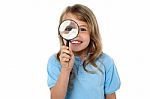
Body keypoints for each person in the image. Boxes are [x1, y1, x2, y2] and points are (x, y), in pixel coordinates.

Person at [47, 4, 121, 99]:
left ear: (92, 33)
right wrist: (65, 70)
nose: (75, 34)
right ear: (61, 34)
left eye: (82, 29)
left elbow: (111, 96)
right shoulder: (55, 61)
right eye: (69, 29)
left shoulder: (106, 61)